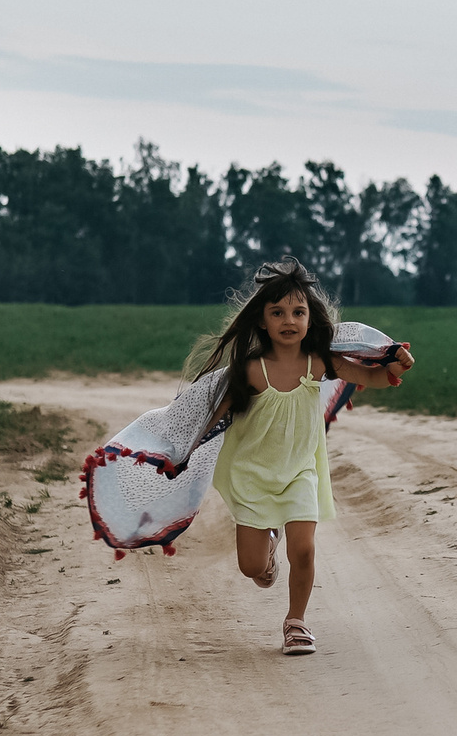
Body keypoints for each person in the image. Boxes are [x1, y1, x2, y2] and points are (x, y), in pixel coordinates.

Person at [78, 258, 413, 655]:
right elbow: (214, 417)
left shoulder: (320, 362)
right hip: (253, 476)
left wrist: (394, 366)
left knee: (304, 548)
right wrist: (184, 453)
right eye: (278, 312)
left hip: (299, 471)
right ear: (261, 321)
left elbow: (369, 376)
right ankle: (267, 551)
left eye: (298, 312)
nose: (289, 320)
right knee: (252, 568)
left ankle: (296, 623)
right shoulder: (252, 371)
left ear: (310, 318)